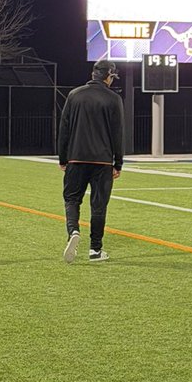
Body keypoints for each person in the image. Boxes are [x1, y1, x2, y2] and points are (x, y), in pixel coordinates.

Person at [59, 58, 124, 263]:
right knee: (98, 205)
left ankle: (73, 232)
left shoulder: (74, 95)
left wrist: (63, 158)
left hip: (76, 158)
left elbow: (64, 129)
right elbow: (118, 133)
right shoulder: (113, 99)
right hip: (102, 161)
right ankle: (95, 249)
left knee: (71, 199)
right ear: (108, 76)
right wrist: (118, 162)